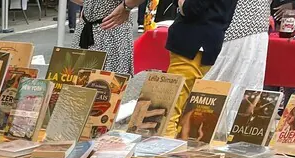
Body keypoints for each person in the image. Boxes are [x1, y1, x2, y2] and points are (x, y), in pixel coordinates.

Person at [164, 0, 239, 136]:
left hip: (193, 40)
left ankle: (164, 146)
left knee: (172, 102)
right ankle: (172, 142)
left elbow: (191, 8)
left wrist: (182, 3)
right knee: (184, 101)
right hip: (208, 38)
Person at [202, 0, 270, 142]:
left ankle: (236, 131)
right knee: (226, 80)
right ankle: (217, 129)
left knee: (244, 83)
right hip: (237, 30)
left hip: (253, 28)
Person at [71, 0, 147, 75]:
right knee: (76, 79)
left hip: (112, 27)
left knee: (108, 81)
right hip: (86, 27)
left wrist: (126, 6)